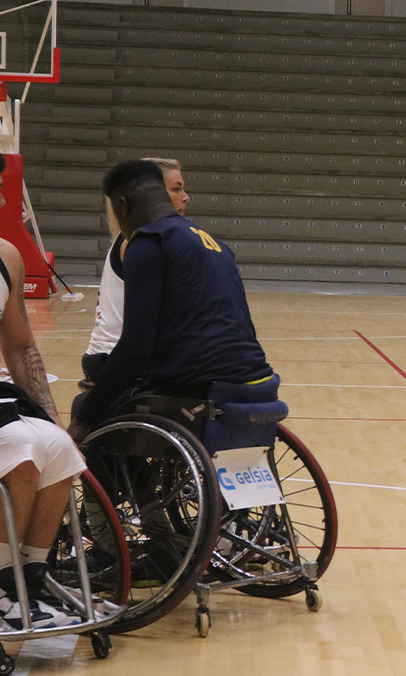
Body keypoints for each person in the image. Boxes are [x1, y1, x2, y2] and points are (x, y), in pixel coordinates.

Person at [68, 159, 272, 440]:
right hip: (261, 382)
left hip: (206, 390)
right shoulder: (212, 243)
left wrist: (85, 419)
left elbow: (135, 349)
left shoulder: (147, 243)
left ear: (123, 206)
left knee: (87, 408)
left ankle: (129, 486)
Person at [0, 154, 87, 628]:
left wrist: (51, 416)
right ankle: (0, 584)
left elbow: (18, 346)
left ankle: (28, 585)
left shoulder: (6, 257)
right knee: (18, 449)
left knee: (57, 447)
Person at [80, 158, 190, 389]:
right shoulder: (139, 243)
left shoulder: (139, 237)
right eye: (176, 189)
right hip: (115, 361)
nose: (186, 197)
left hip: (112, 358)